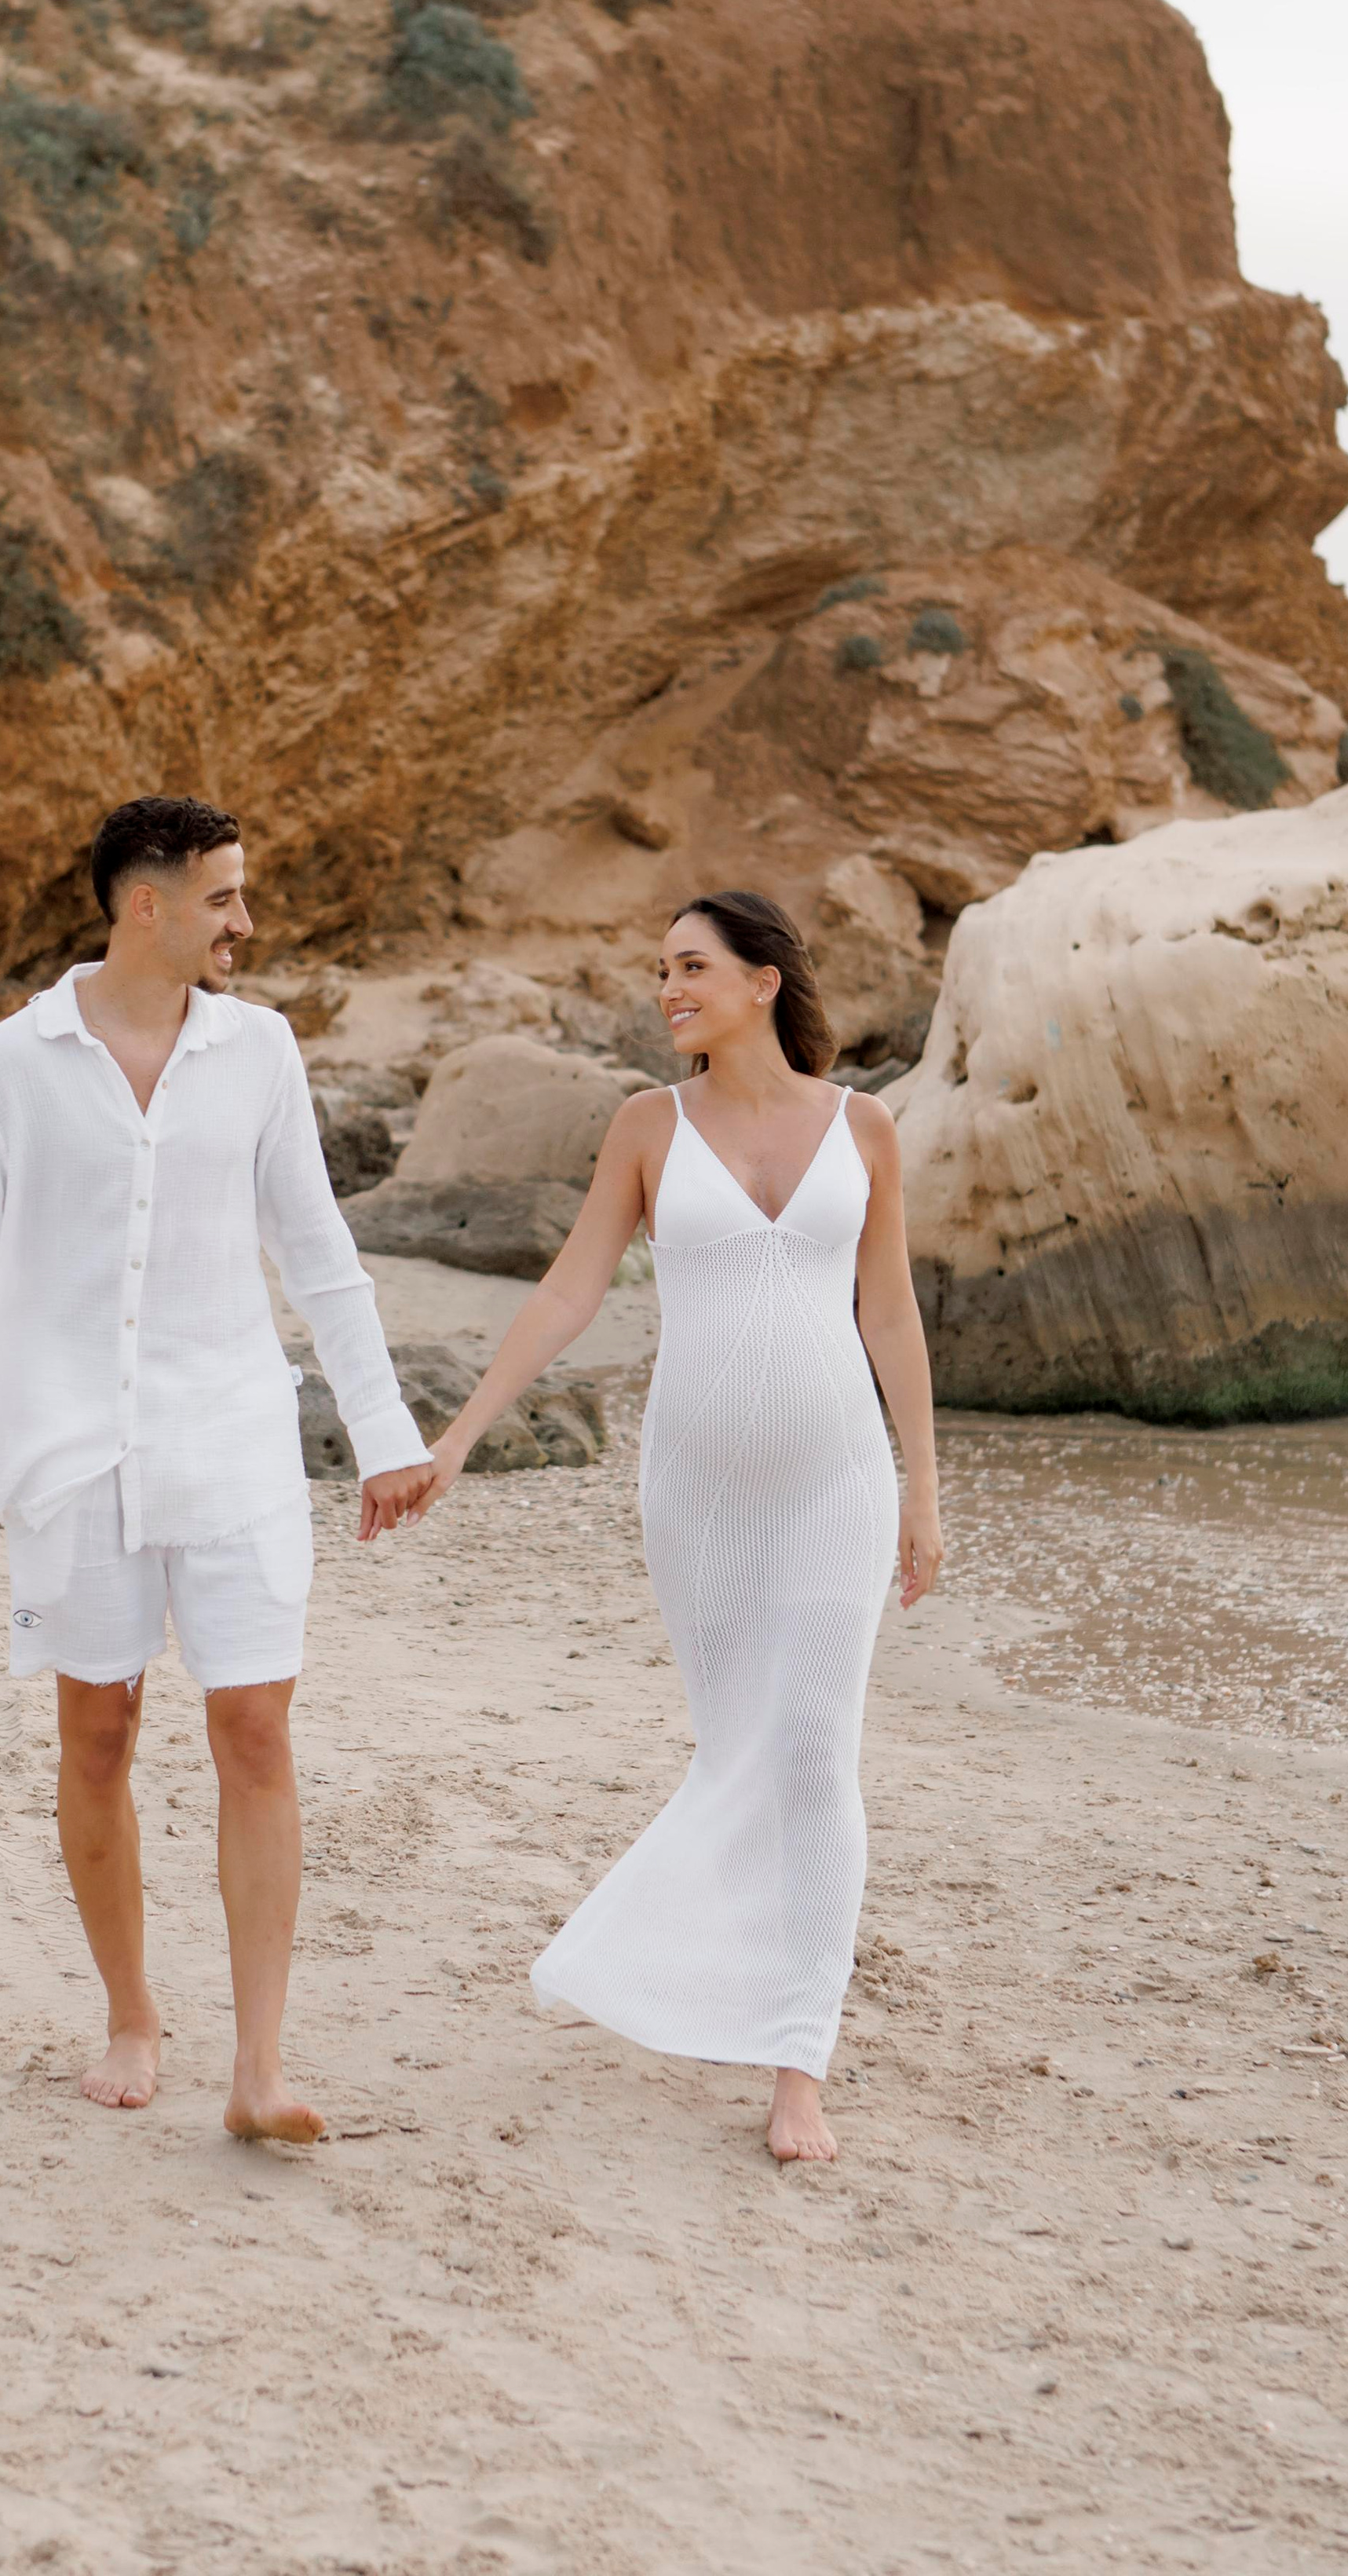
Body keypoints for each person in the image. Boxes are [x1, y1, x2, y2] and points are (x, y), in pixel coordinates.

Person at [0, 796, 433, 2138]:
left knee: (254, 1729)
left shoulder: (260, 1053)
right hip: (72, 1453)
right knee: (100, 1731)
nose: (245, 922)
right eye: (226, 897)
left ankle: (260, 2067)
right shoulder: (16, 1062)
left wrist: (387, 1432)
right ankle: (132, 2011)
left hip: (233, 1435)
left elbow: (317, 1250)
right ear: (151, 903)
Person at [417, 890, 942, 2165]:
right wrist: (463, 1429)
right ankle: (705, 1973)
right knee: (735, 1754)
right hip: (698, 1497)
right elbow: (572, 1289)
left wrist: (923, 1489)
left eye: (692, 967)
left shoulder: (861, 1128)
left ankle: (796, 2062)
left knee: (813, 1750)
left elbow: (891, 1318)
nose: (669, 990)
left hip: (837, 1487)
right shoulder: (650, 1128)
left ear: (765, 981)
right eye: (661, 970)